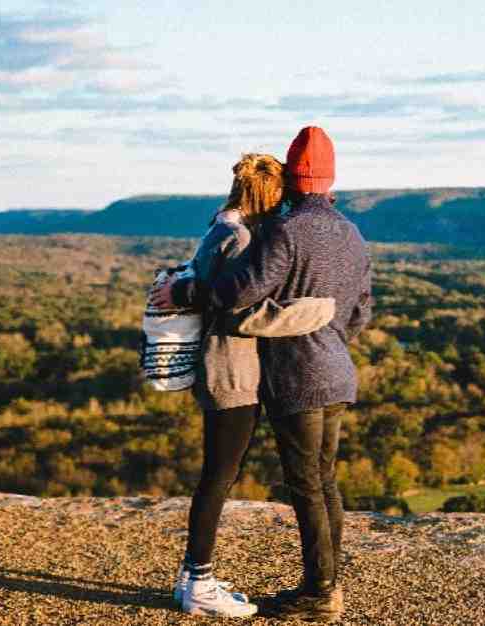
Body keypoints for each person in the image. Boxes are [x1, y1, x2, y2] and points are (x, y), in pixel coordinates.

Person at [152, 126, 372, 623]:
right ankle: (328, 584)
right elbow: (361, 311)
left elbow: (240, 290)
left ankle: (319, 594)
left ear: (293, 179)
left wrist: (184, 292)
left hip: (298, 375)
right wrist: (331, 339)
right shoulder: (353, 234)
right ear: (331, 178)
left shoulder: (285, 230)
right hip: (337, 370)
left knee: (307, 486)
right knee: (326, 482)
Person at [171, 153, 286, 618]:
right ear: (265, 193)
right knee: (218, 478)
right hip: (231, 371)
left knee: (216, 475)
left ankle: (191, 577)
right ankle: (199, 581)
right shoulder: (239, 238)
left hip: (216, 366)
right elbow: (237, 308)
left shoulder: (219, 226)